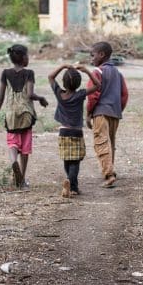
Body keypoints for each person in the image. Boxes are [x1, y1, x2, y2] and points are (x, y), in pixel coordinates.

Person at [0, 44, 48, 188]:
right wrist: (41, 98)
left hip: (10, 114)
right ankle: (22, 179)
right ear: (23, 58)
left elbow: (0, 98)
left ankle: (13, 161)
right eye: (27, 55)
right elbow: (29, 94)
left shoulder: (5, 73)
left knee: (12, 143)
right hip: (26, 114)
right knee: (25, 147)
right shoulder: (29, 73)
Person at [47, 63, 101, 197]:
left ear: (64, 83)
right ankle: (72, 186)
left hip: (63, 132)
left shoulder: (59, 94)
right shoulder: (80, 94)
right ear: (78, 84)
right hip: (76, 132)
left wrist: (62, 66)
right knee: (75, 161)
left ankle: (70, 183)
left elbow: (50, 76)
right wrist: (88, 71)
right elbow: (97, 85)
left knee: (67, 159)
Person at [87, 41, 128, 188]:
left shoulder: (97, 72)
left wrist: (88, 113)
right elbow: (124, 95)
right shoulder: (118, 73)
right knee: (111, 143)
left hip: (100, 113)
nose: (91, 59)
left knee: (101, 142)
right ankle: (109, 169)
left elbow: (92, 96)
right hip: (115, 113)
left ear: (102, 55)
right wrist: (118, 109)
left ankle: (109, 174)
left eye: (93, 55)